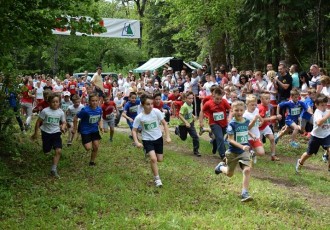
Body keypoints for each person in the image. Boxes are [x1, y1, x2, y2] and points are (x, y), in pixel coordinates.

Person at [214, 100, 256, 202]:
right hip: (233, 152)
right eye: (236, 110)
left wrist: (251, 134)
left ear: (244, 110)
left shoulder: (245, 120)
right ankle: (221, 167)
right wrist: (242, 146)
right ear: (232, 111)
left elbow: (245, 129)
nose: (239, 112)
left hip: (244, 151)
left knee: (247, 170)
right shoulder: (231, 124)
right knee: (229, 174)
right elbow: (230, 140)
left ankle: (245, 193)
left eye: (241, 110)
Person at [132, 94, 171, 187]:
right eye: (148, 104)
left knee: (159, 159)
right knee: (153, 159)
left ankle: (149, 154)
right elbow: (134, 130)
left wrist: (167, 136)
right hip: (147, 139)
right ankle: (157, 179)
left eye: (152, 104)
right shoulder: (139, 117)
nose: (150, 106)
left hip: (158, 138)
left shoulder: (156, 112)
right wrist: (137, 141)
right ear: (142, 105)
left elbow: (165, 124)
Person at [31, 92, 66, 178]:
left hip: (56, 133)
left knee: (58, 151)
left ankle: (53, 169)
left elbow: (64, 122)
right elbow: (38, 122)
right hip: (46, 132)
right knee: (46, 150)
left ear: (59, 102)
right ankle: (47, 149)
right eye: (53, 102)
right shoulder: (45, 111)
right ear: (49, 102)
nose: (55, 103)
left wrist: (63, 127)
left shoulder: (61, 112)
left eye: (57, 102)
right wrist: (36, 133)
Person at [295, 95, 330, 173]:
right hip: (316, 137)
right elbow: (319, 123)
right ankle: (300, 162)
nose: (324, 107)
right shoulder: (318, 112)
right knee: (309, 154)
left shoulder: (327, 111)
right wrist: (327, 116)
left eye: (325, 104)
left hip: (327, 135)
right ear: (316, 105)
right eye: (322, 105)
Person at [72, 93, 103, 166]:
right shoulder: (85, 110)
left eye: (96, 100)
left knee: (96, 147)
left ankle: (92, 162)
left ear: (98, 101)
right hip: (85, 130)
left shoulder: (99, 109)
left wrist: (101, 127)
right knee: (88, 148)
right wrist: (75, 128)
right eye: (92, 101)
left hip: (94, 130)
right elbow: (76, 117)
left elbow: (99, 118)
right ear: (89, 101)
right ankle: (83, 140)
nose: (94, 102)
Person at [199, 88, 231, 159]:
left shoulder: (224, 101)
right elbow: (202, 111)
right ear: (213, 96)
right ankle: (223, 154)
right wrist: (201, 122)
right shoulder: (208, 103)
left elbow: (230, 109)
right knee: (220, 137)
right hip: (214, 123)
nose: (219, 101)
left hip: (224, 123)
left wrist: (229, 117)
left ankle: (214, 142)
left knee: (220, 137)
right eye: (217, 99)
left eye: (220, 99)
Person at [174, 92, 201, 157]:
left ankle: (196, 151)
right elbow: (180, 115)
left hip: (190, 123)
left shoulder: (191, 105)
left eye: (192, 98)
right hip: (183, 124)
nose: (191, 100)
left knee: (195, 137)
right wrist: (186, 122)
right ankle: (177, 131)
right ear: (186, 99)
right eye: (189, 98)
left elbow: (189, 112)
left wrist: (193, 116)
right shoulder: (184, 106)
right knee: (183, 138)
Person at [258, 93, 282, 161]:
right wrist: (273, 118)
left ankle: (273, 155)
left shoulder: (268, 106)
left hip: (265, 126)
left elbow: (267, 117)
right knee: (258, 145)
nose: (269, 100)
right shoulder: (261, 108)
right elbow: (261, 119)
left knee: (272, 139)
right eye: (266, 99)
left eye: (269, 98)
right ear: (261, 100)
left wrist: (274, 117)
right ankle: (251, 154)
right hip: (258, 128)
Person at [243, 95, 264, 161]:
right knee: (244, 157)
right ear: (247, 104)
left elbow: (261, 120)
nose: (254, 107)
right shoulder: (245, 115)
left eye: (255, 105)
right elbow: (247, 128)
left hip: (256, 135)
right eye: (252, 105)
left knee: (261, 153)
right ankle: (249, 153)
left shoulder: (256, 110)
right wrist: (254, 120)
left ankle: (252, 153)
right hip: (247, 137)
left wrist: (260, 122)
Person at [274, 63, 293, 129]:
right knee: (279, 111)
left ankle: (286, 126)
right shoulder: (278, 76)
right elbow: (276, 87)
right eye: (278, 69)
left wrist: (277, 80)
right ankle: (281, 125)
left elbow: (285, 87)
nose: (279, 70)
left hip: (286, 97)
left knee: (285, 112)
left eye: (281, 69)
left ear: (285, 69)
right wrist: (274, 81)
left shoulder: (288, 77)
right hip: (279, 96)